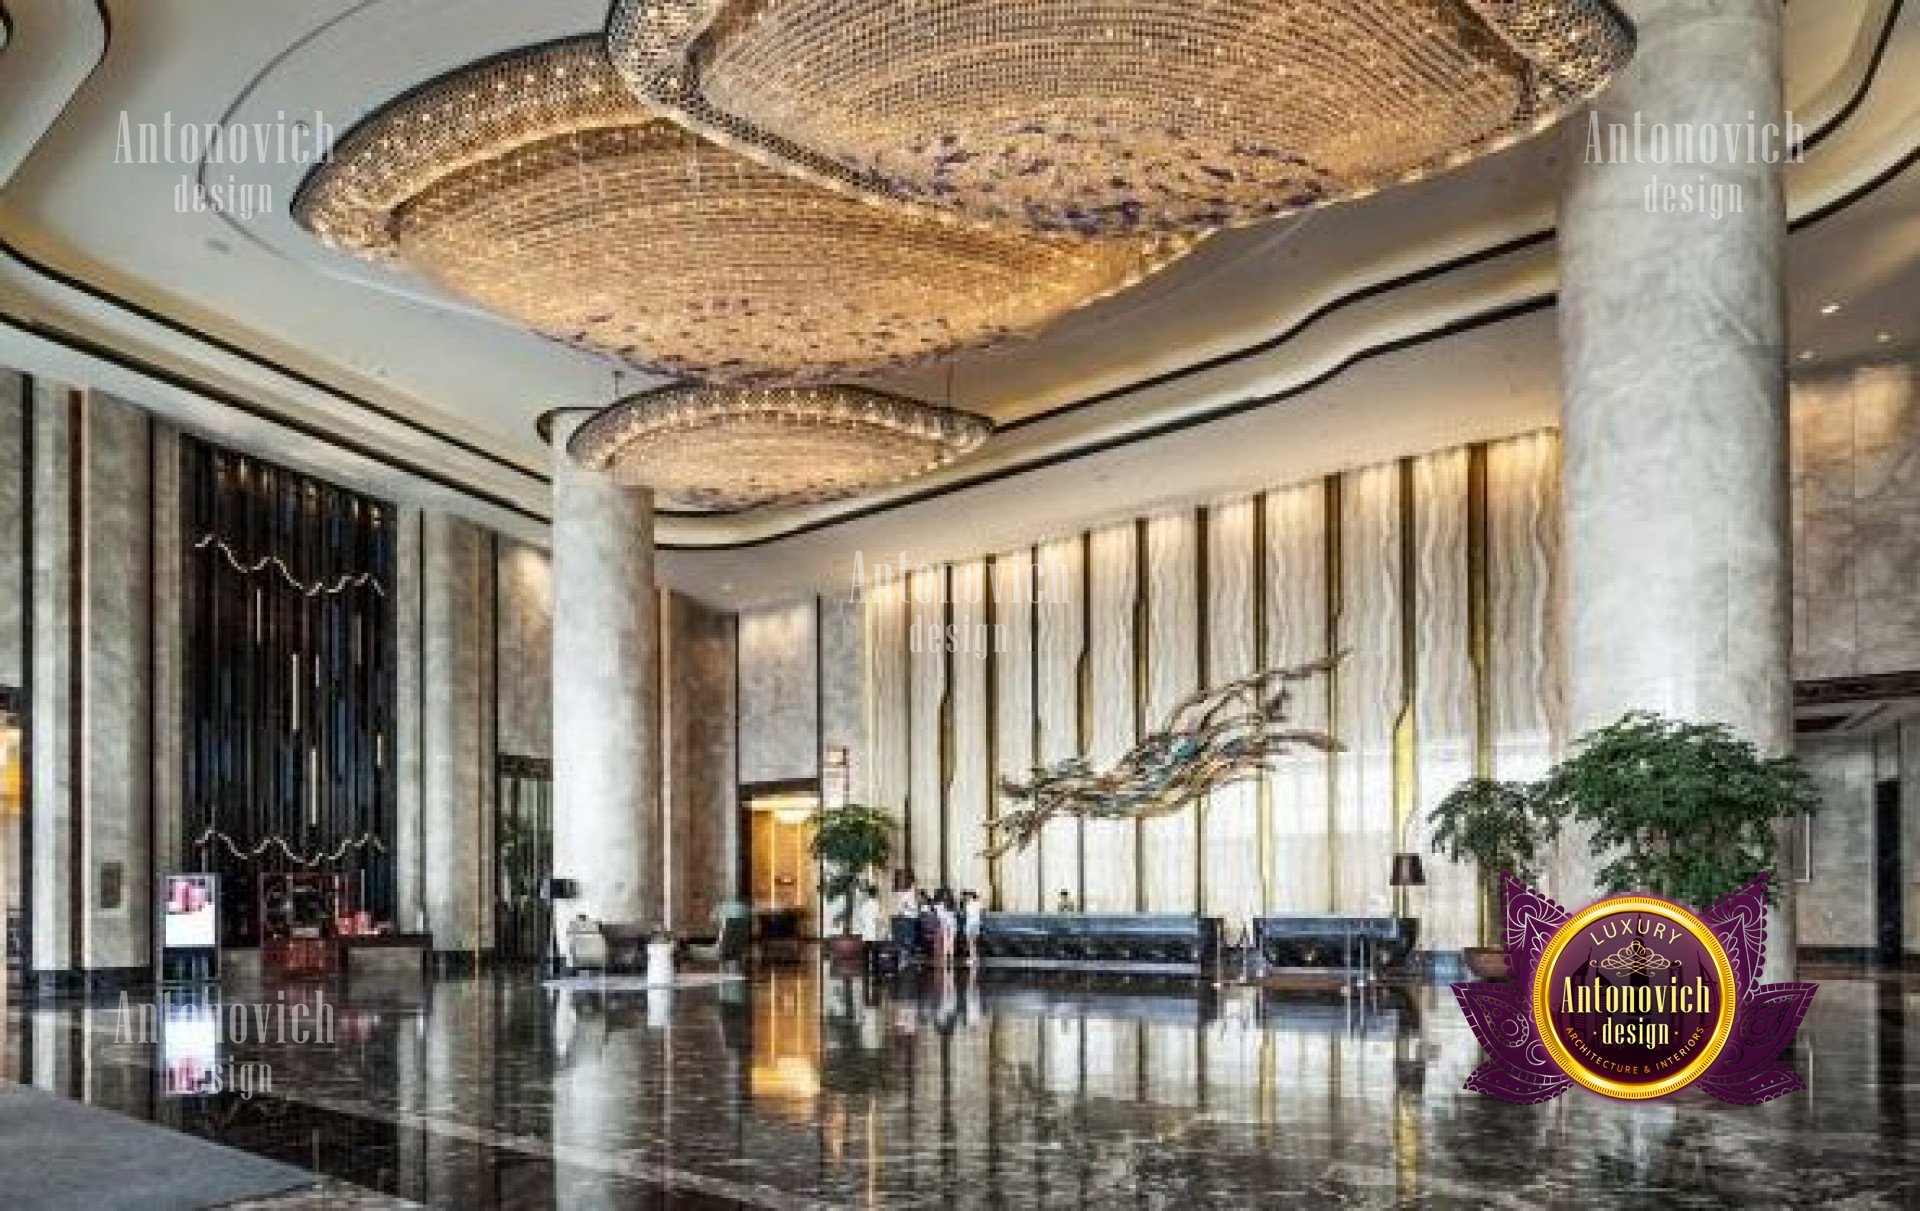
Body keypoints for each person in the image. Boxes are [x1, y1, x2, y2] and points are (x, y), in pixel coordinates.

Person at [933, 890, 959, 968]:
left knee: (946, 940)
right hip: (951, 923)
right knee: (949, 941)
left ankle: (946, 958)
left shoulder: (938, 905)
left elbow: (937, 914)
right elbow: (954, 914)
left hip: (945, 923)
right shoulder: (951, 904)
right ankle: (950, 957)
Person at [960, 890, 984, 966]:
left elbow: (967, 913)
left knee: (970, 942)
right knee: (974, 942)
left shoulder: (968, 904)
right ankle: (975, 957)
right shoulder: (978, 904)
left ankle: (972, 958)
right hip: (976, 923)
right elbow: (982, 912)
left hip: (970, 924)